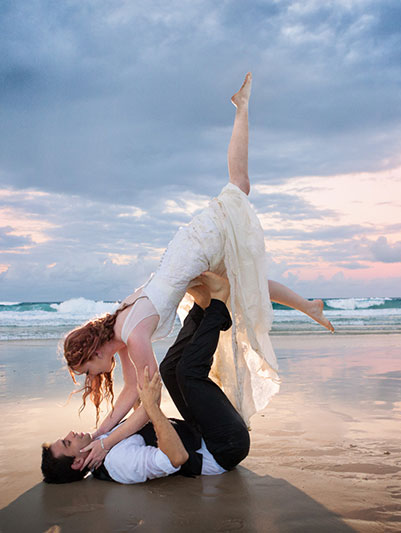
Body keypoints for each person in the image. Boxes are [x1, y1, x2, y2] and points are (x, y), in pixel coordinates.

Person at [63, 73, 334, 471]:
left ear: (93, 352)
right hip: (183, 263)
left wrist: (109, 443)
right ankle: (309, 306)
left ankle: (241, 107)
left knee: (238, 187)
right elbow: (130, 394)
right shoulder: (120, 332)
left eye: (87, 368)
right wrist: (102, 435)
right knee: (242, 281)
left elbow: (148, 407)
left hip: (190, 255)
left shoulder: (134, 338)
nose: (92, 376)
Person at [43, 274, 249, 484]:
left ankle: (201, 308)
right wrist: (149, 408)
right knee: (187, 372)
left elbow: (132, 387)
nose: (70, 433)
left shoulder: (100, 443)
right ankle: (217, 306)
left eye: (86, 371)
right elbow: (177, 458)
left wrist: (103, 433)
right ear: (78, 463)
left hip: (202, 432)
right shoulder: (119, 462)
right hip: (223, 448)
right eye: (67, 443)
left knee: (169, 370)